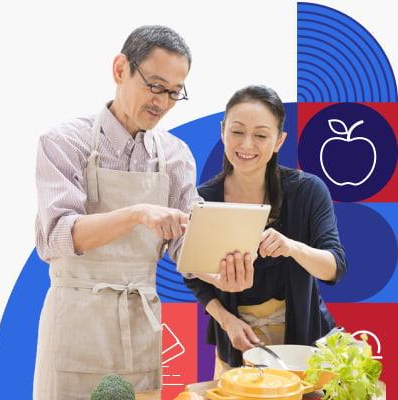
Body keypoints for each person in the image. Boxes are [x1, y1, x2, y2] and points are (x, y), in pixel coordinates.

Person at [34, 25, 254, 399]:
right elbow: (58, 236)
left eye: (173, 92)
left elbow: (186, 245)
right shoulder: (63, 142)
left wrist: (220, 273)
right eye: (154, 86)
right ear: (121, 69)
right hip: (76, 321)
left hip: (140, 322)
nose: (163, 102)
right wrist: (136, 214)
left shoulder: (175, 155)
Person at [184, 85, 347, 378]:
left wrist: (292, 247)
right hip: (237, 341)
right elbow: (193, 272)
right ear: (222, 132)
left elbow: (335, 268)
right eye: (237, 132)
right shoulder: (203, 199)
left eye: (260, 135)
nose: (247, 145)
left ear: (279, 141)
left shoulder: (308, 191)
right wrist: (227, 322)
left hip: (305, 344)